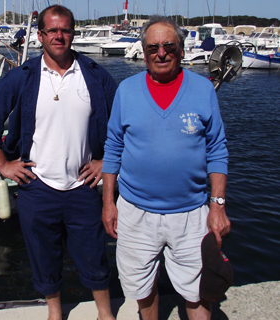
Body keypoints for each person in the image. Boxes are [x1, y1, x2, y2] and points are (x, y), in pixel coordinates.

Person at [0, 5, 117, 320]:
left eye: (65, 30)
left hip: (82, 186)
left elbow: (123, 120)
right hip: (37, 186)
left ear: (73, 33)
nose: (59, 36)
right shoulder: (23, 76)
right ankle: (55, 313)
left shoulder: (94, 75)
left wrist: (105, 160)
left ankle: (105, 313)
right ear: (40, 36)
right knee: (43, 256)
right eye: (52, 30)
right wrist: (3, 164)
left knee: (94, 254)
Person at [102, 16, 231, 320]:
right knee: (142, 288)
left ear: (182, 50)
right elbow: (113, 149)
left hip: (191, 213)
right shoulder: (127, 90)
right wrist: (108, 202)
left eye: (169, 46)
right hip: (135, 213)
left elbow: (217, 151)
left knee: (198, 290)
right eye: (153, 47)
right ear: (144, 52)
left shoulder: (203, 90)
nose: (161, 53)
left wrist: (218, 205)